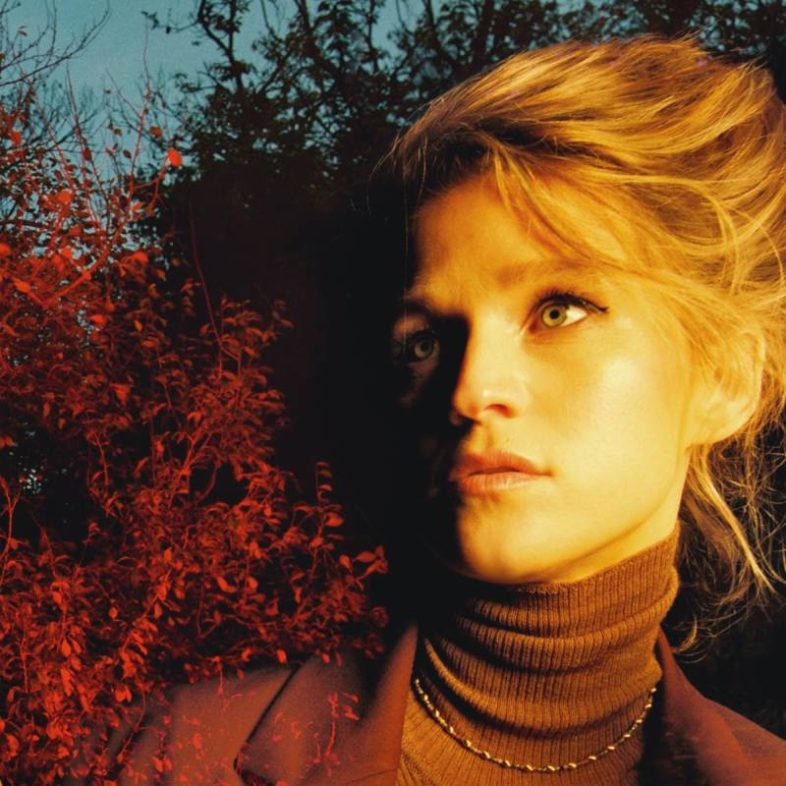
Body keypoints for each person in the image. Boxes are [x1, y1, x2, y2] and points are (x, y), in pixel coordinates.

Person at [65, 35, 786, 786]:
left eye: (559, 310)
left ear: (726, 379)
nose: (469, 391)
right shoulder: (158, 758)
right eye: (425, 342)